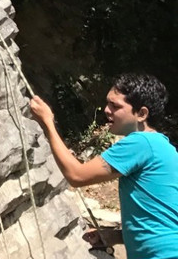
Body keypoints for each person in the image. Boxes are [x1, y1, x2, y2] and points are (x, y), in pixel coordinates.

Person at [30, 74, 178, 259]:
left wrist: (47, 123)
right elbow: (162, 218)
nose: (107, 110)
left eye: (115, 106)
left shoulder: (141, 143)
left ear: (142, 114)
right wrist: (115, 236)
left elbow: (77, 176)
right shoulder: (163, 147)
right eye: (107, 104)